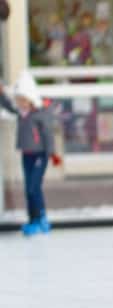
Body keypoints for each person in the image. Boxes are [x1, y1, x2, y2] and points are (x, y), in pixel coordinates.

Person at [0, 72, 61, 236]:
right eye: (19, 100)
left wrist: (52, 154)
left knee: (34, 187)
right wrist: (2, 93)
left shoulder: (40, 114)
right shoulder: (21, 112)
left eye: (23, 100)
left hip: (40, 155)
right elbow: (9, 106)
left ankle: (41, 217)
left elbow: (48, 134)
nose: (20, 103)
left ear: (31, 98)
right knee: (28, 188)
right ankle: (32, 219)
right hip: (27, 155)